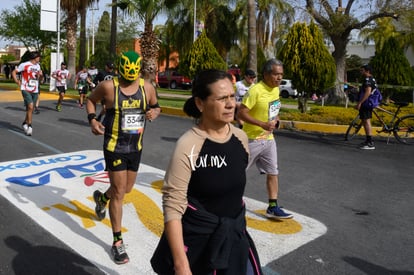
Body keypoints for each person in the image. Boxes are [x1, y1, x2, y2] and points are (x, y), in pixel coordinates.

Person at [151, 69, 262, 275]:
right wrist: (181, 265)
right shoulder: (188, 145)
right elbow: (173, 207)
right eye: (221, 98)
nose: (231, 104)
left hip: (234, 238)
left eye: (232, 97)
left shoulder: (240, 138)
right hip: (199, 246)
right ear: (200, 103)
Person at [86, 51, 161, 264]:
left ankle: (102, 199)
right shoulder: (109, 87)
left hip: (135, 147)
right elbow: (91, 101)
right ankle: (117, 242)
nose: (131, 81)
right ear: (120, 70)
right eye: (127, 77)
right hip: (114, 147)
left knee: (126, 189)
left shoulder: (147, 87)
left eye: (134, 76)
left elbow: (156, 107)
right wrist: (92, 120)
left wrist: (154, 113)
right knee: (119, 192)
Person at [237, 59, 293, 219]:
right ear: (266, 74)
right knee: (237, 173)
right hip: (251, 140)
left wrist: (276, 120)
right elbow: (241, 113)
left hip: (269, 139)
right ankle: (228, 201)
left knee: (273, 172)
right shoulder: (255, 90)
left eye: (281, 74)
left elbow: (273, 109)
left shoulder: (275, 90)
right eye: (276, 74)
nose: (279, 78)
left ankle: (273, 206)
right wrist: (262, 124)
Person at [11, 51, 43, 136]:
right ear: (35, 57)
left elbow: (39, 79)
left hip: (35, 90)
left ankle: (25, 123)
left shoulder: (38, 66)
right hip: (25, 88)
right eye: (39, 57)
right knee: (31, 106)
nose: (39, 58)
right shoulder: (24, 65)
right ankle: (30, 126)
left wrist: (41, 75)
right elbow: (14, 72)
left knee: (30, 109)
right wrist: (17, 81)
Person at [355, 64, 377, 150]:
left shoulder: (368, 80)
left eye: (362, 70)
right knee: (364, 121)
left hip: (366, 103)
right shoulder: (372, 79)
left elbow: (368, 92)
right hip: (367, 103)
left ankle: (370, 142)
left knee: (367, 121)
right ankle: (368, 140)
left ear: (367, 71)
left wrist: (360, 102)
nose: (361, 72)